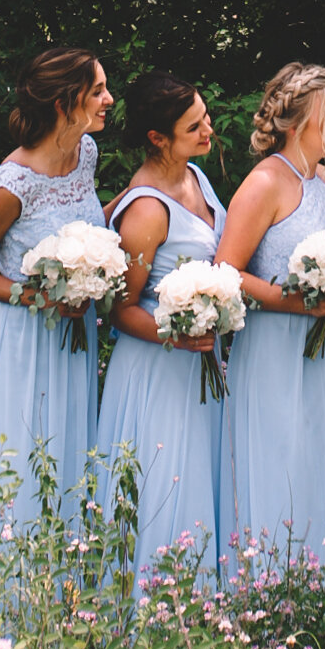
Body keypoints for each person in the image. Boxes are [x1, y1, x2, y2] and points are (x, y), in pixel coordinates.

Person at [0, 46, 113, 541]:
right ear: (65, 103)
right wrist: (40, 298)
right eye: (98, 91)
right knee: (22, 457)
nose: (109, 99)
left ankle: (63, 586)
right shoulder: (12, 184)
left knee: (68, 451)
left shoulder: (85, 152)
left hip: (73, 336)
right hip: (22, 339)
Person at [216, 63, 325, 575]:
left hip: (324, 350)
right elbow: (226, 271)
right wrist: (295, 301)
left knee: (317, 459)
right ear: (301, 121)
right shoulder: (265, 182)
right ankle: (271, 589)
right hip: (275, 348)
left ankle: (321, 589)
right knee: (280, 457)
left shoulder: (322, 178)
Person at [96, 72, 227, 591]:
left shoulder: (197, 177)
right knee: (166, 482)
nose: (208, 129)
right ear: (158, 138)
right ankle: (155, 613)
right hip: (157, 367)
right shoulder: (147, 209)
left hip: (201, 364)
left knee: (202, 477)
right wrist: (176, 334)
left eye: (204, 117)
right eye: (193, 125)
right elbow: (119, 308)